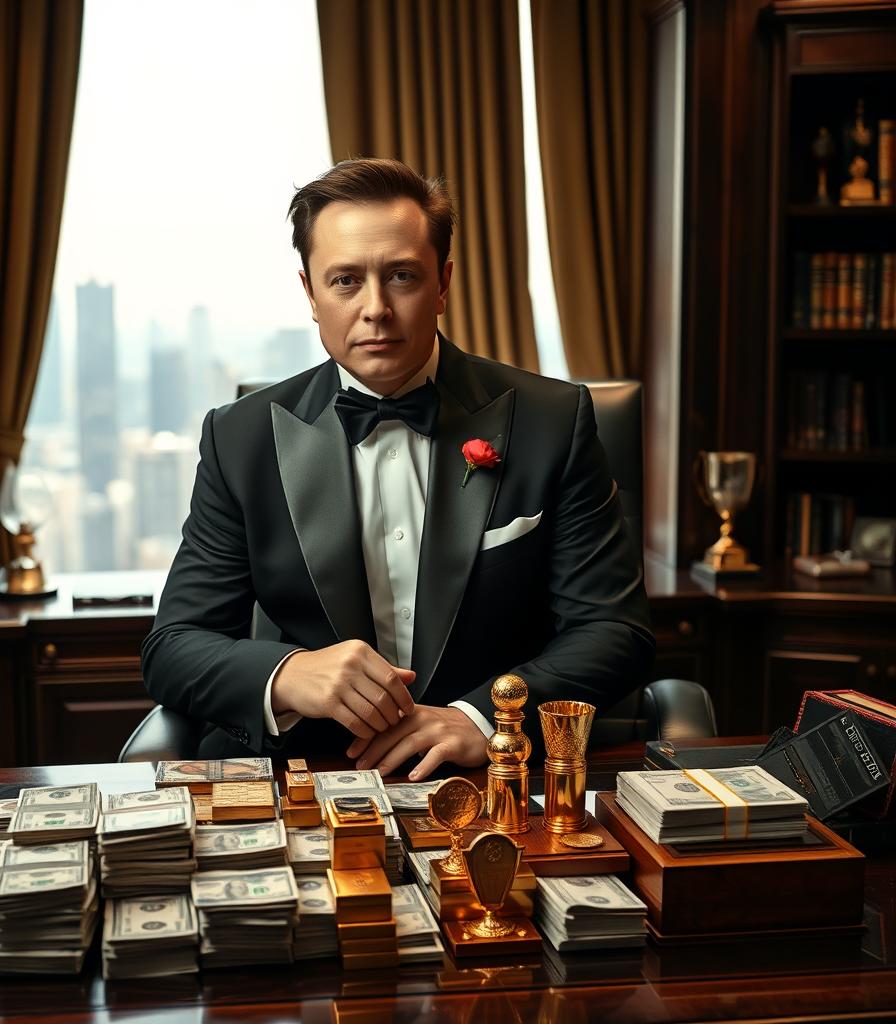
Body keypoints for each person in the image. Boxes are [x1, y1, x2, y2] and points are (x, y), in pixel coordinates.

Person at [142, 158, 653, 779]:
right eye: (346, 281)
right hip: (312, 772)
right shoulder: (239, 437)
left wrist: (484, 720)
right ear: (310, 293)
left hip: (497, 774)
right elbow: (173, 647)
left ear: (443, 283)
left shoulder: (554, 420)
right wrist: (287, 673)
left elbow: (614, 631)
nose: (376, 308)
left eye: (402, 276)